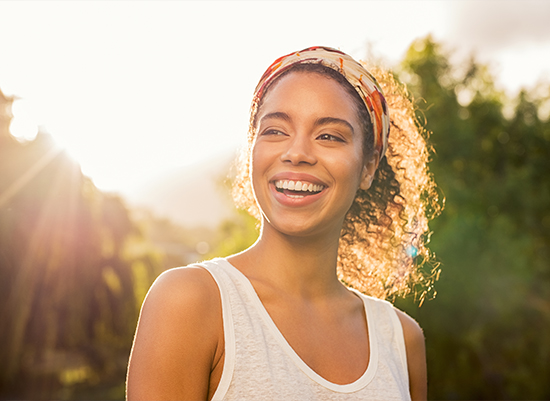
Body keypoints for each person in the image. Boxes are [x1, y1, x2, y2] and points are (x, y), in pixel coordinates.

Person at [126, 46, 440, 400]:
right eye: (275, 131)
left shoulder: (401, 339)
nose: (297, 153)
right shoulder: (190, 302)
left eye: (329, 136)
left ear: (368, 166)